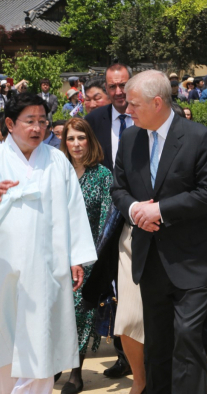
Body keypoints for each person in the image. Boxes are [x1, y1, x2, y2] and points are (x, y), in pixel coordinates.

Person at [0, 92, 97, 394]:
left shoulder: (57, 161)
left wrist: (76, 257)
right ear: (10, 123)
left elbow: (74, 209)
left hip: (47, 265)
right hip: (3, 263)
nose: (38, 128)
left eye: (42, 121)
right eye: (30, 121)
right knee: (4, 333)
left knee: (41, 334)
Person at [111, 70, 207, 394]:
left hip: (193, 261)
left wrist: (159, 210)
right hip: (150, 261)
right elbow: (119, 189)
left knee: (187, 340)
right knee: (157, 347)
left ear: (157, 102)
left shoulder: (197, 137)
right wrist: (135, 211)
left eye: (133, 105)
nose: (127, 111)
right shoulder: (131, 138)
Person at [84, 63, 136, 380]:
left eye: (123, 85)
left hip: (141, 213)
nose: (118, 92)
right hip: (104, 217)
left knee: (136, 285)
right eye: (112, 86)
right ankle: (122, 353)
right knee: (111, 284)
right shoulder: (94, 121)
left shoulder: (146, 116)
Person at [60, 118, 112, 394]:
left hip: (88, 259)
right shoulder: (57, 172)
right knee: (56, 312)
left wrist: (97, 261)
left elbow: (106, 222)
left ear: (90, 141)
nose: (76, 144)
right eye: (71, 139)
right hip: (56, 256)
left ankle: (76, 373)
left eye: (81, 138)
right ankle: (57, 360)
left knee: (79, 313)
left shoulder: (102, 175)